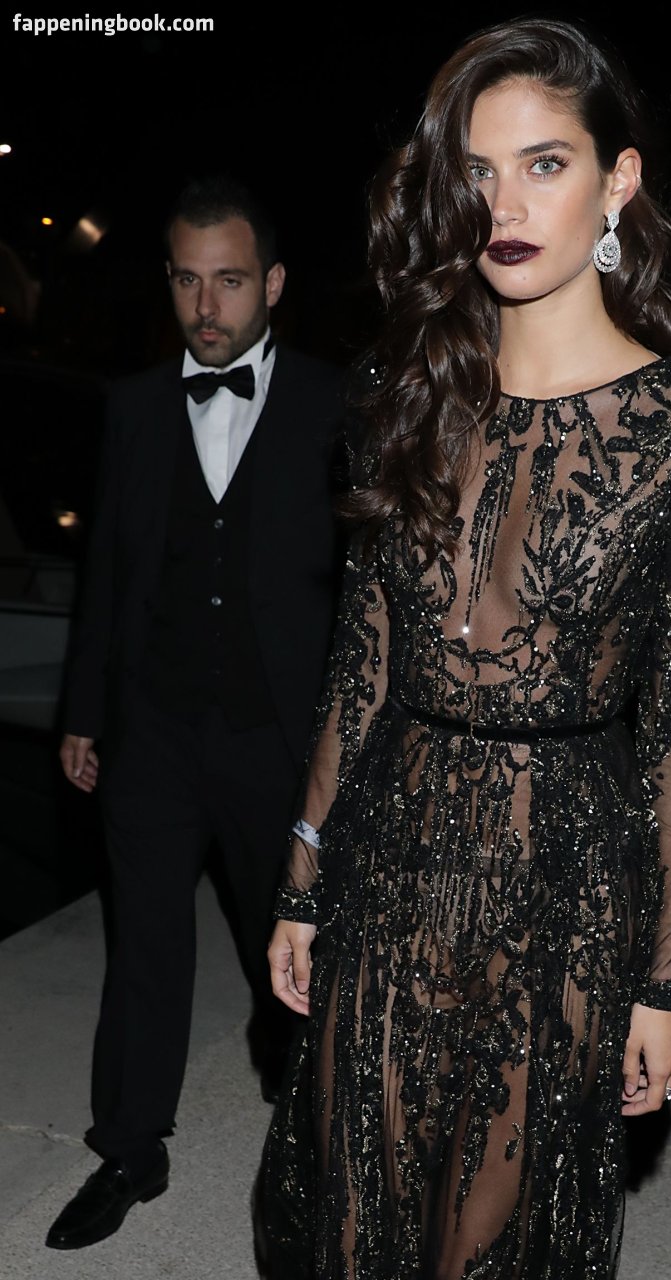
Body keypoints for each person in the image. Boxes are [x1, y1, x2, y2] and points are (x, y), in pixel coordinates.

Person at [264, 18, 671, 1279]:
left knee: (481, 1250)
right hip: (388, 857)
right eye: (477, 171)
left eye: (545, 163)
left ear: (618, 179)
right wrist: (302, 880)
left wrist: (666, 979)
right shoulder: (400, 395)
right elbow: (359, 667)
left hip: (565, 883)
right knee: (356, 1228)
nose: (504, 204)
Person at [46, 177, 344, 1251]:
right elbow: (109, 569)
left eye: (228, 281)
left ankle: (311, 1139)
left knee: (296, 947)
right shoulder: (132, 407)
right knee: (143, 944)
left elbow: (367, 588)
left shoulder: (334, 402)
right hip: (155, 730)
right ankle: (131, 1147)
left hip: (280, 733)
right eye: (186, 280)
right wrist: (84, 711)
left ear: (273, 283)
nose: (205, 305)